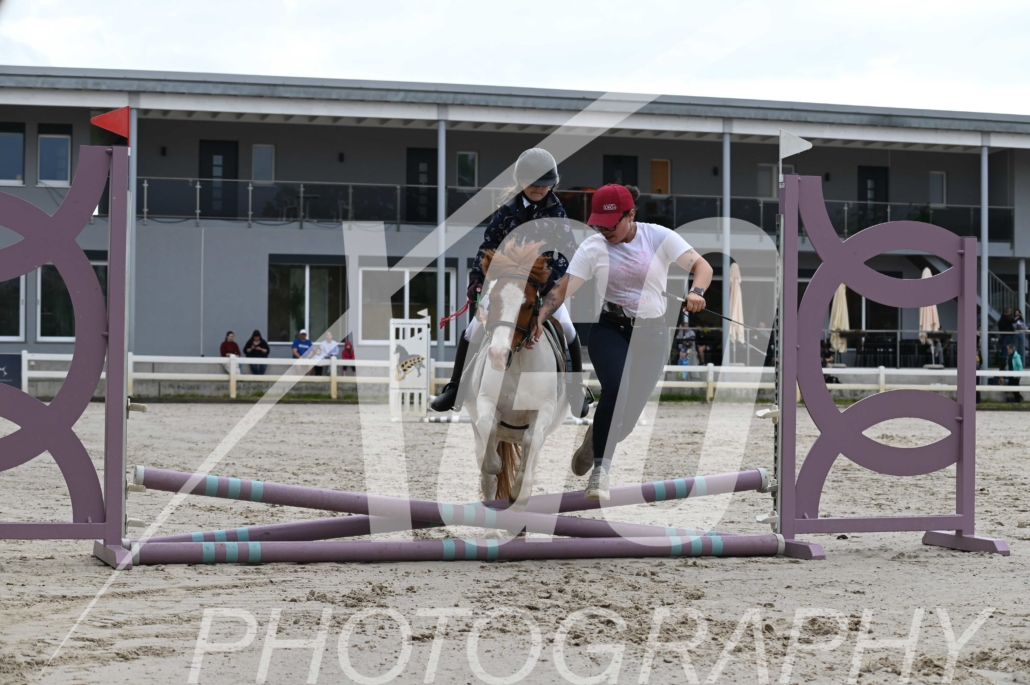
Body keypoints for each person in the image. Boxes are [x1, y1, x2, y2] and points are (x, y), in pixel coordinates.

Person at [528, 184, 713, 500]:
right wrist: (540, 317)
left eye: (610, 225)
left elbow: (702, 266)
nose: (604, 231)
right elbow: (563, 288)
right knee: (616, 389)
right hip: (610, 330)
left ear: (631, 215)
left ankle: (593, 441)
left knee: (627, 421)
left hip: (652, 336)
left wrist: (696, 291)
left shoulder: (659, 237)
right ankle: (600, 473)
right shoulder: (593, 247)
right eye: (599, 225)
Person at [430, 147, 590, 417]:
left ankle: (575, 390)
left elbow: (567, 253)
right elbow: (488, 246)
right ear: (520, 181)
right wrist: (477, 278)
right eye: (533, 183)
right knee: (471, 331)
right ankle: (455, 387)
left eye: (545, 183)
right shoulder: (506, 211)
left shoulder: (558, 213)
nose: (539, 188)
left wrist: (548, 282)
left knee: (569, 329)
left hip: (543, 288)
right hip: (506, 285)